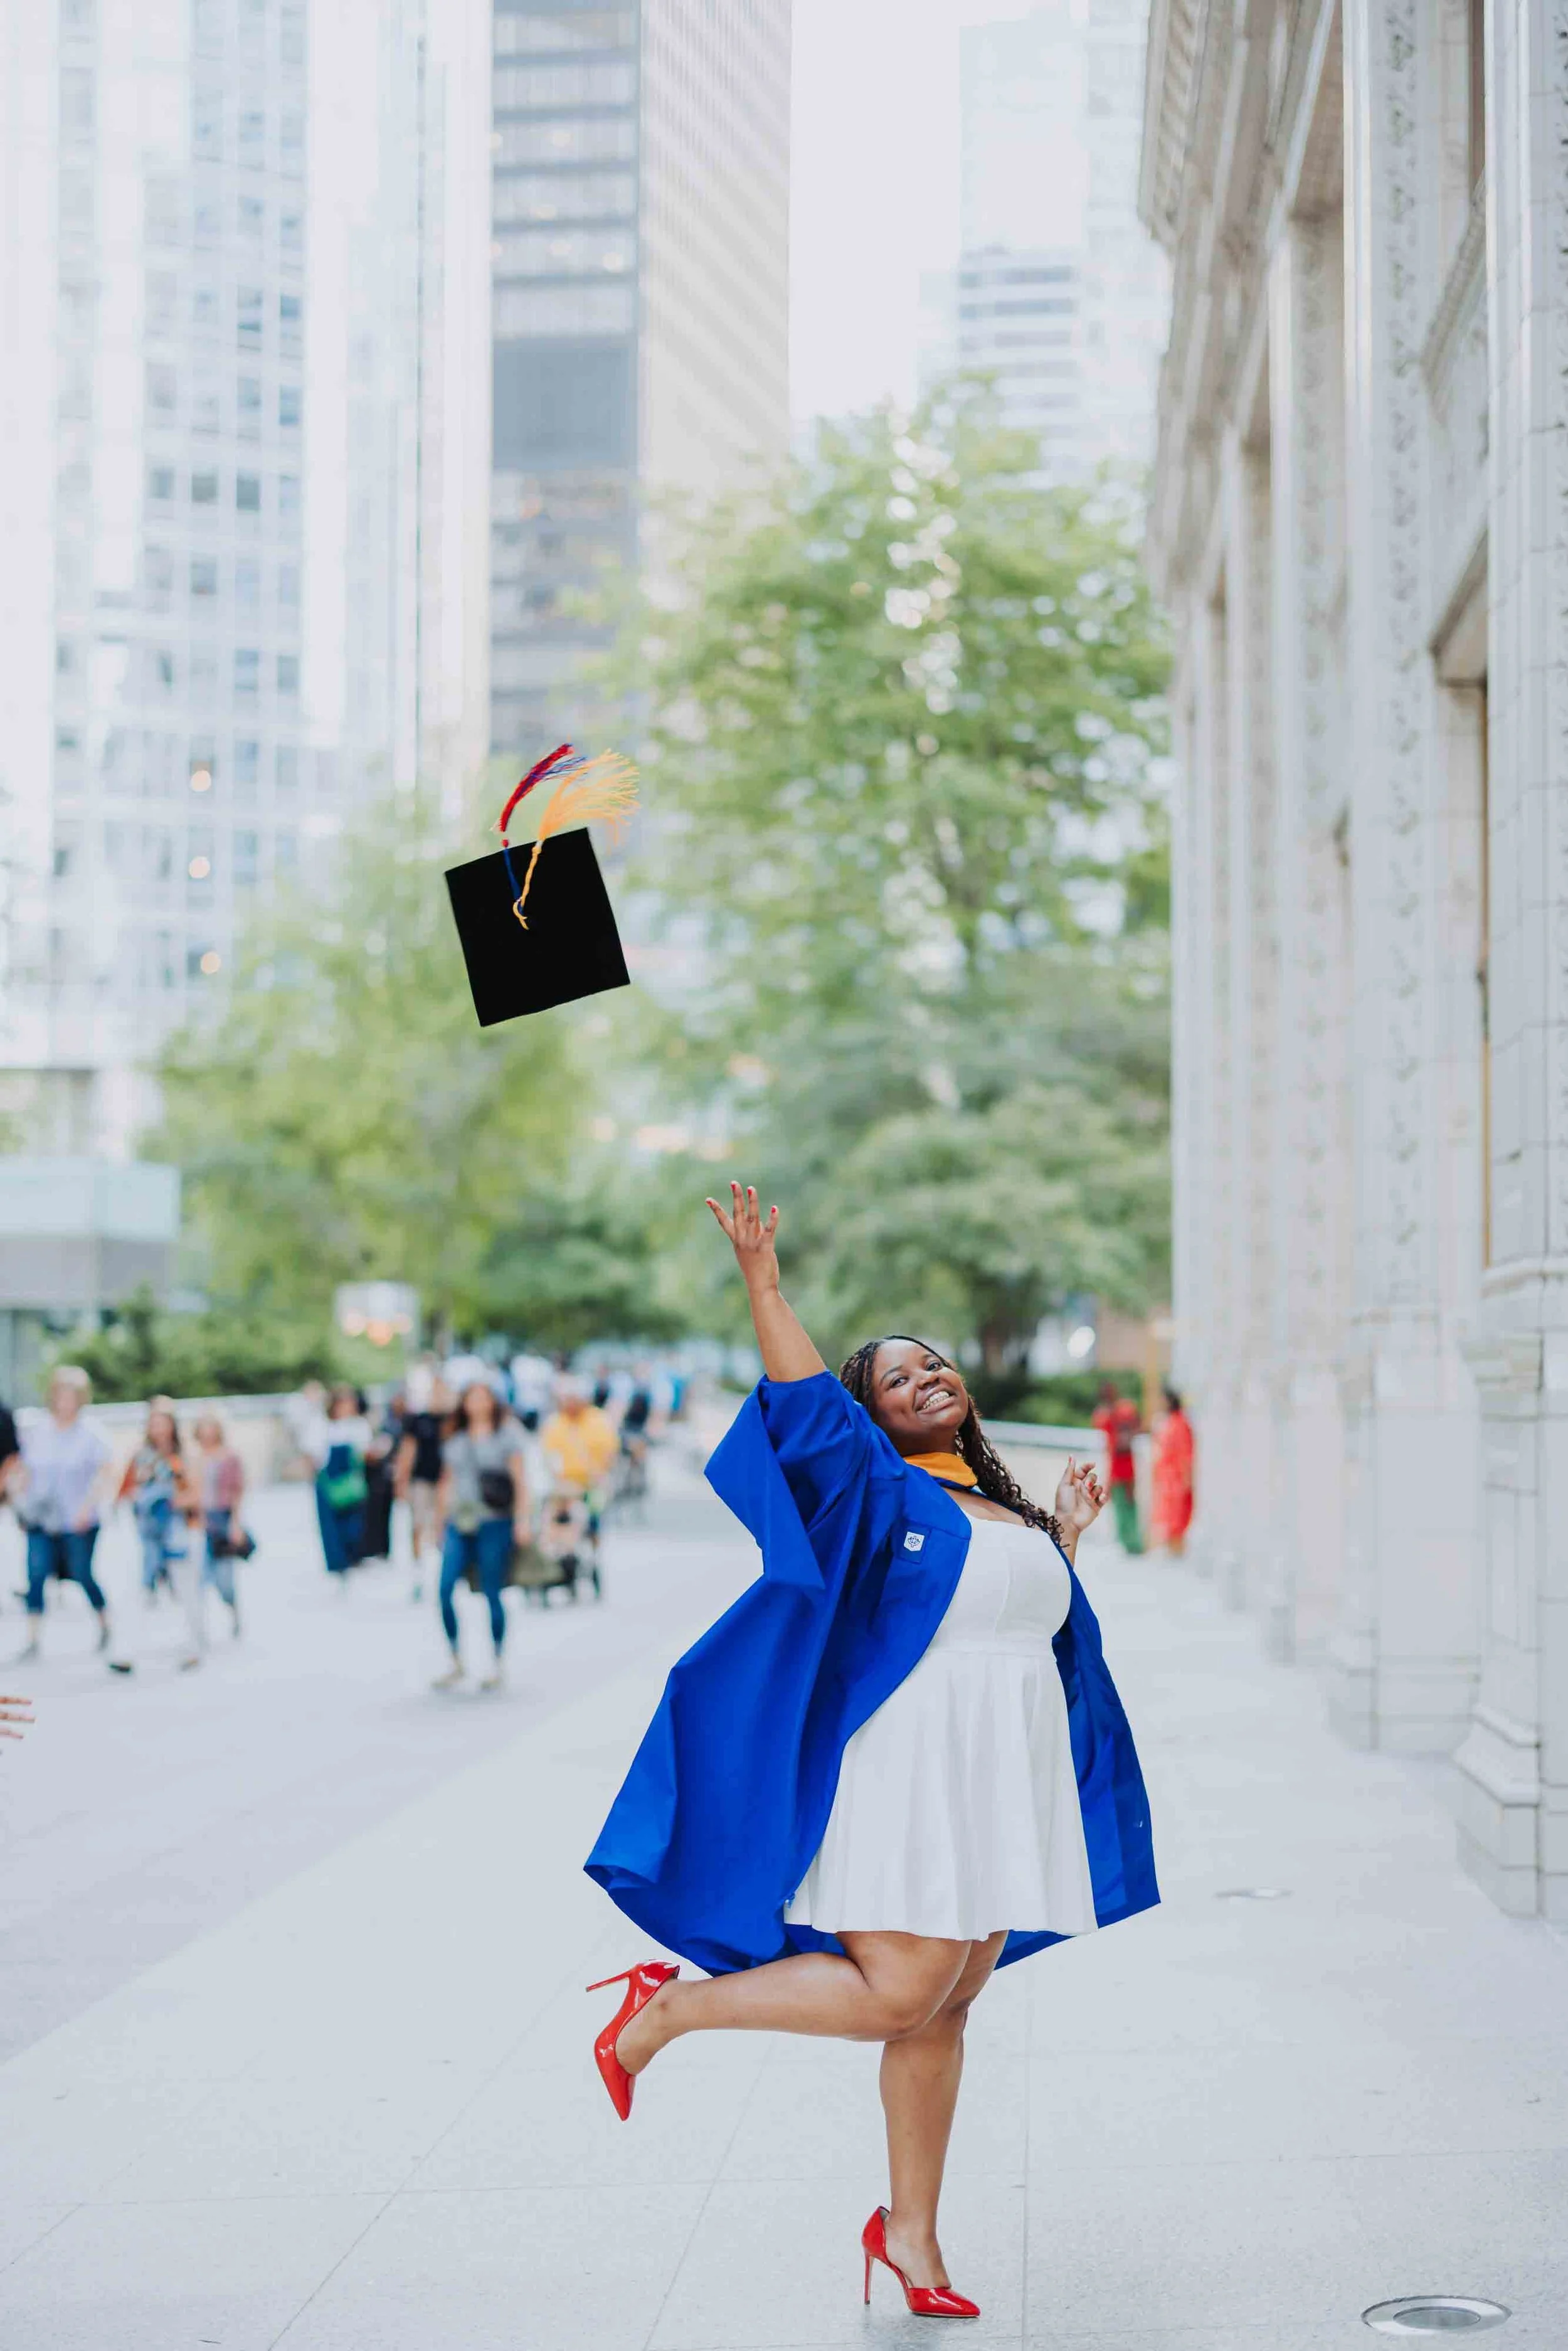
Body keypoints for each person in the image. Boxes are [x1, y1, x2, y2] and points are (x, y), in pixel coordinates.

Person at [585, 1186, 1156, 2322]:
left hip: (1000, 1765)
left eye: (933, 1365)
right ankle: (665, 2010)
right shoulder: (873, 1485)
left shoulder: (997, 1502)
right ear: (877, 1417)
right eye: (897, 1378)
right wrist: (764, 1282)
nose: (925, 1378)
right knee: (902, 1989)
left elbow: (1014, 1625)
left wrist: (1068, 1536)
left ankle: (913, 2240)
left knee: (946, 2007)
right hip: (914, 1768)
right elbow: (802, 1404)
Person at [13, 1367, 127, 1669]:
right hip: (41, 1517)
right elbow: (25, 1469)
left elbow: (106, 1472)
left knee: (81, 1572)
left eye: (71, 1397)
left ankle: (105, 1623)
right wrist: (21, 1501)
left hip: (79, 1518)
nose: (65, 1403)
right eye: (61, 1396)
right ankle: (33, 1638)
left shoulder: (91, 1433)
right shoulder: (39, 1429)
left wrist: (87, 1508)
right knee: (36, 1573)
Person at [431, 1381, 529, 1692]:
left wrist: (522, 1520)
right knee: (445, 1588)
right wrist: (437, 1522)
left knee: (492, 1591)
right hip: (459, 1522)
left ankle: (497, 1660)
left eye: (482, 1398)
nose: (476, 1404)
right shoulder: (455, 1437)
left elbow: (520, 1480)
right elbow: (446, 1481)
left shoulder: (506, 1435)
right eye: (471, 1398)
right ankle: (456, 1658)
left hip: (494, 1520)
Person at [118, 1398, 193, 1606]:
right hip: (148, 1514)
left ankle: (171, 1581)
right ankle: (151, 1583)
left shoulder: (180, 1454)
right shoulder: (142, 1455)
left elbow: (189, 1484)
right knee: (151, 1551)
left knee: (174, 1551)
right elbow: (128, 1483)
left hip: (172, 1512)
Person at [306, 1383, 377, 1579]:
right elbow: (314, 1456)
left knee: (354, 1526)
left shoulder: (358, 1425)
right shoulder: (321, 1425)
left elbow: (365, 1453)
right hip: (330, 1482)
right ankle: (339, 1565)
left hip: (351, 1482)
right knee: (332, 1528)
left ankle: (354, 1557)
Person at [394, 1367, 452, 1605]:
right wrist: (402, 1480)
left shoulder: (451, 1420)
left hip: (444, 1481)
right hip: (422, 1479)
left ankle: (445, 1570)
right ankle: (419, 1573)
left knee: (443, 1526)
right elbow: (408, 1450)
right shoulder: (418, 1421)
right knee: (418, 1525)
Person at [192, 1414, 246, 1638]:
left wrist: (235, 1523)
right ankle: (199, 1626)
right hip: (197, 1520)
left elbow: (237, 1490)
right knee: (198, 1577)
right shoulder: (192, 1456)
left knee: (225, 1578)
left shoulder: (229, 1456)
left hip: (221, 1518)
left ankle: (233, 1611)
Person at [541, 1378, 617, 1537]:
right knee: (551, 1511)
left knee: (592, 1511)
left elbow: (609, 1454)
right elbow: (550, 1456)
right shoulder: (555, 1423)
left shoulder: (599, 1421)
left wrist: (598, 1476)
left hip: (592, 1483)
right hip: (564, 1484)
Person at [1092, 1379, 1143, 1554]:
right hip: (1115, 1466)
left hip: (1127, 1465)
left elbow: (1137, 1425)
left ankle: (1134, 1543)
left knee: (1129, 1502)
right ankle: (1127, 1542)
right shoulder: (1105, 1414)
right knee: (1120, 1505)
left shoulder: (1125, 1409)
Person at [1150, 1383, 1195, 1556]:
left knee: (1178, 1517)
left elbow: (1185, 1454)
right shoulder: (1168, 1422)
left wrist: (1186, 1479)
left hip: (1177, 1478)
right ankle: (1171, 1550)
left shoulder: (1181, 1423)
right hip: (1167, 1478)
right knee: (1168, 1516)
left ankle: (1177, 1551)